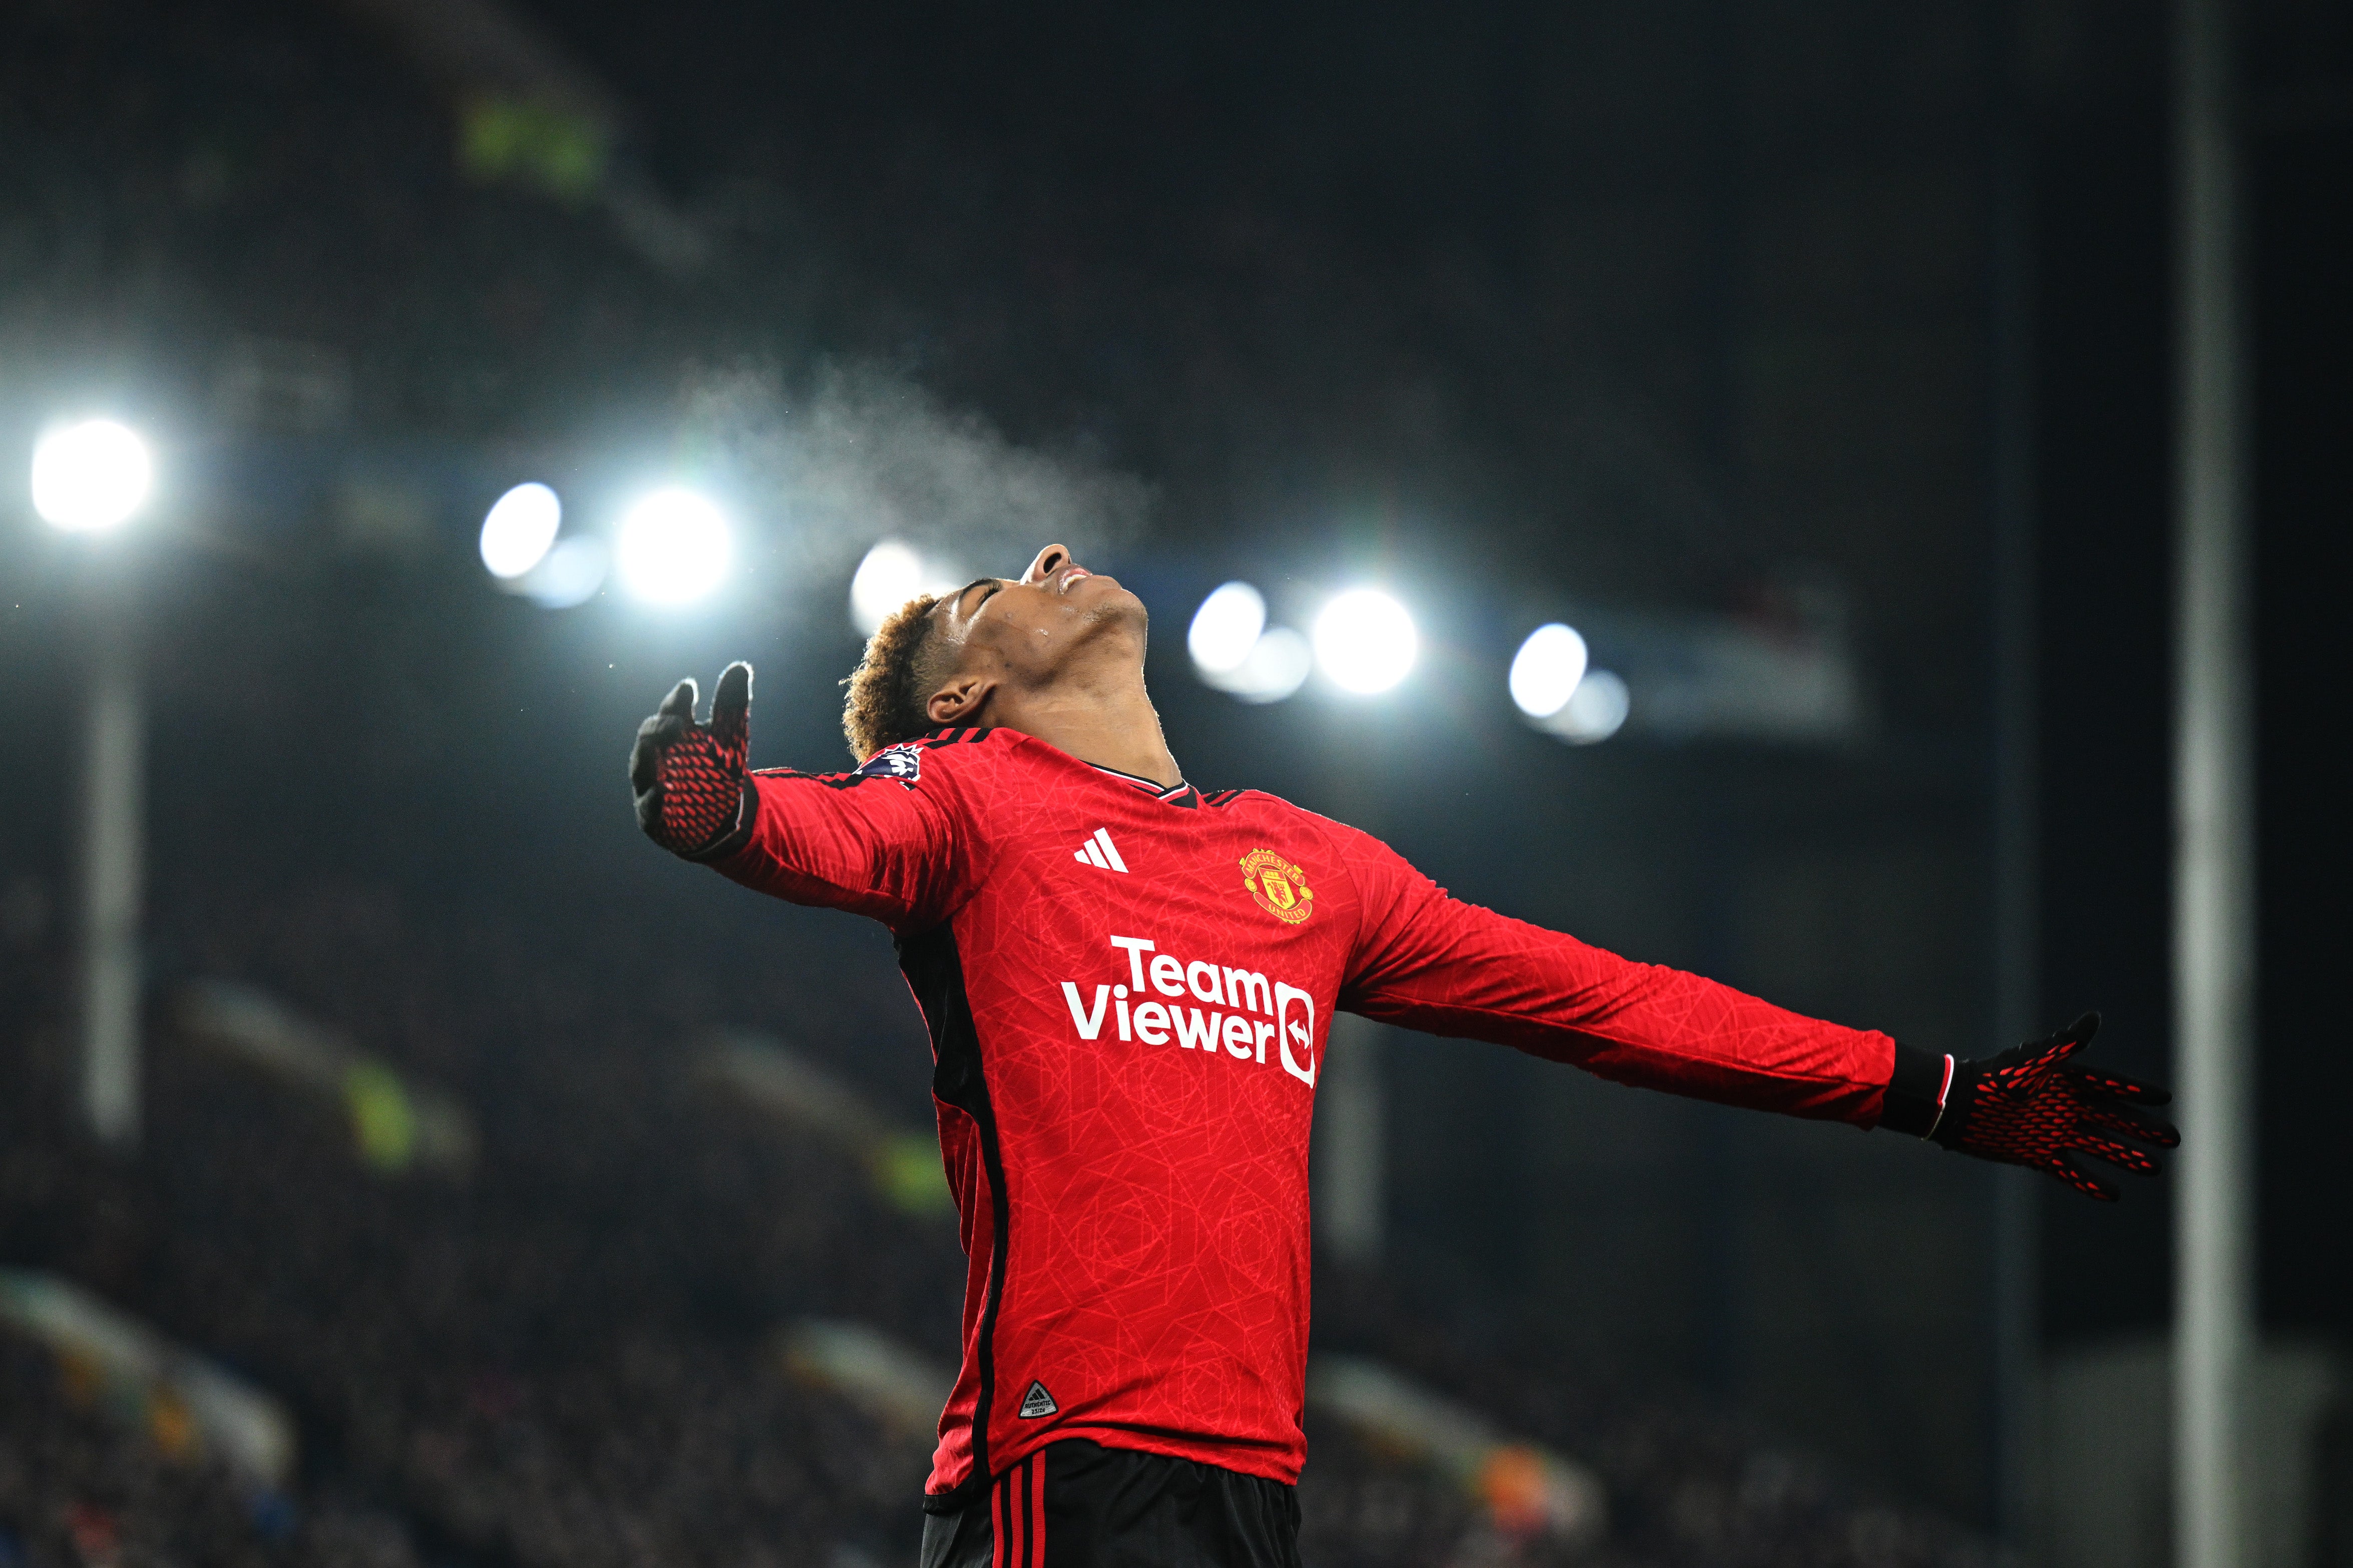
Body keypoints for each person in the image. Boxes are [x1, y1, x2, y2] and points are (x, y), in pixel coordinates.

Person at [628, 543, 2177, 1568]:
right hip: (1068, 1461)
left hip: (1250, 1476)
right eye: (987, 588)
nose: (1040, 558)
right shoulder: (967, 797)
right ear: (962, 700)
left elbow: (1611, 1002)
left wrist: (1936, 1092)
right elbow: (827, 829)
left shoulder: (1309, 867)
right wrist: (727, 813)